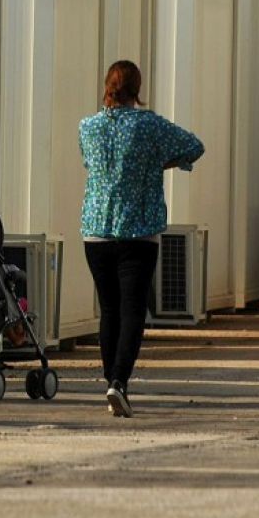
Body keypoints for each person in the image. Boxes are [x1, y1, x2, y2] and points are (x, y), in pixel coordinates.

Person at [79, 59, 204, 418]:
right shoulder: (150, 126)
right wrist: (157, 163)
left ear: (107, 87)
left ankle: (109, 382)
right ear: (138, 89)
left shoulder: (87, 127)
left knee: (108, 309)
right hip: (139, 231)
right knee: (133, 308)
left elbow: (93, 165)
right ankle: (119, 382)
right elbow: (194, 146)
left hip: (96, 230)